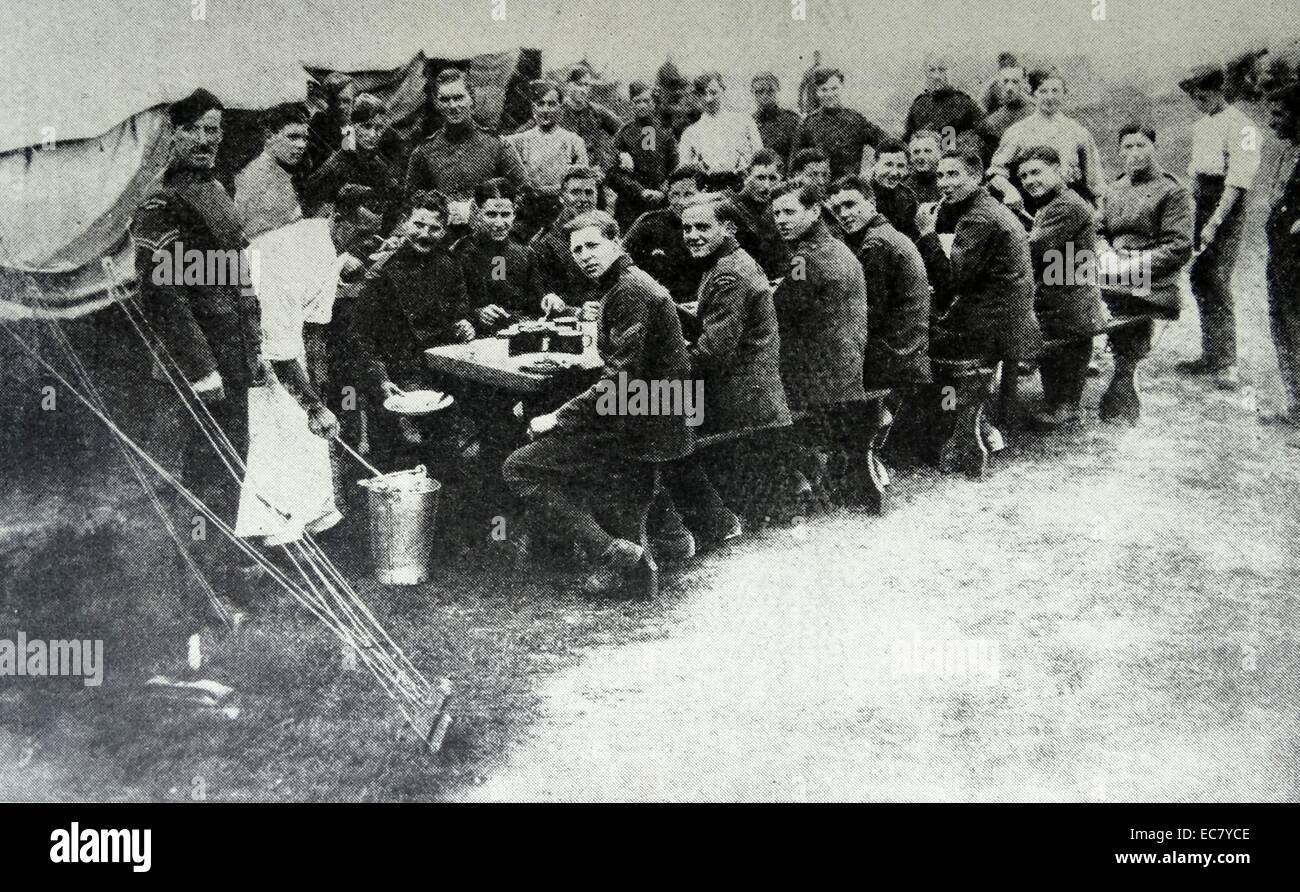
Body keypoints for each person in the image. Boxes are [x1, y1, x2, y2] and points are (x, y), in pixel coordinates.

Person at [505, 210, 694, 597]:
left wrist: (558, 417)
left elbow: (620, 381)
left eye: (593, 245)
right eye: (577, 250)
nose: (584, 256)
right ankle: (664, 535)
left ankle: (612, 554)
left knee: (520, 467)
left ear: (617, 242)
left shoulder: (629, 291)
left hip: (644, 422)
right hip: (656, 412)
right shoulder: (625, 284)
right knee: (546, 429)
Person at [131, 89, 270, 613]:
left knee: (232, 463)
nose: (208, 141)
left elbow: (238, 278)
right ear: (173, 135)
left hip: (231, 350)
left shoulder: (215, 189)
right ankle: (197, 588)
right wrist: (201, 367)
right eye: (197, 130)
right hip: (199, 363)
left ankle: (227, 570)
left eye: (215, 130)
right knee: (201, 471)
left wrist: (252, 348)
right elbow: (165, 294)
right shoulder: (161, 202)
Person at [659, 194, 792, 545]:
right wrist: (664, 308)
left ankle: (707, 521)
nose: (692, 235)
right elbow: (713, 327)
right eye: (687, 228)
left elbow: (709, 356)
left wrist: (658, 369)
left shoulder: (729, 275)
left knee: (646, 413)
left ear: (728, 227)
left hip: (740, 397)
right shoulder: (731, 262)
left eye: (703, 227)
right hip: (749, 389)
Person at [917, 147, 1041, 428]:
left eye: (953, 175)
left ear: (975, 176)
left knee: (915, 337)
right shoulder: (987, 207)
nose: (944, 183)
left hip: (992, 327)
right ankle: (964, 419)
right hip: (1010, 319)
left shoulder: (978, 217)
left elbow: (949, 283)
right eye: (940, 176)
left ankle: (949, 422)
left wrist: (926, 233)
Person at [351, 191, 476, 465]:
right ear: (405, 222)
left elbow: (461, 310)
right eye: (418, 225)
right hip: (398, 374)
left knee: (454, 447)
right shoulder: (382, 273)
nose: (424, 234)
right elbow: (362, 336)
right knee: (401, 458)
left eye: (434, 228)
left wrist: (465, 324)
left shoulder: (449, 265)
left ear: (444, 231)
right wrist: (382, 380)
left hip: (443, 371)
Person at [770, 179, 871, 499]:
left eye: (789, 211)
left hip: (822, 373)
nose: (781, 220)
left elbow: (781, 309)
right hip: (848, 360)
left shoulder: (803, 258)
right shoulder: (837, 246)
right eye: (776, 213)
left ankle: (793, 478)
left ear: (814, 211)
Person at [1093, 123, 1194, 423]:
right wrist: (1104, 253)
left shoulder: (1173, 192)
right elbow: (1098, 230)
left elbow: (1179, 246)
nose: (1134, 153)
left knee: (1104, 300)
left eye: (1141, 146)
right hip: (1113, 267)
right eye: (1127, 147)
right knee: (1058, 275)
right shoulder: (1115, 188)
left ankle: (1125, 374)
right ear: (1119, 151)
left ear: (1154, 148)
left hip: (1151, 277)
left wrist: (1131, 266)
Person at [1177, 65, 1263, 389]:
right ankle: (1210, 354)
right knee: (1199, 277)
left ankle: (1227, 361)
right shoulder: (1202, 125)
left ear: (1218, 90)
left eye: (1203, 97)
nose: (1199, 103)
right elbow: (1196, 174)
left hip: (1228, 204)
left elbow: (1238, 181)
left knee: (1218, 277)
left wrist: (1215, 221)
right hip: (1201, 201)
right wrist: (1191, 212)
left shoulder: (1243, 126)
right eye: (1194, 98)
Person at [1016, 147, 1109, 429]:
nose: (1029, 180)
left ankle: (1065, 406)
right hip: (1062, 294)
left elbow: (1035, 248)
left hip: (1070, 302)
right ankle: (1060, 401)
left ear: (1057, 171)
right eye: (1023, 176)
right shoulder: (1055, 203)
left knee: (1052, 341)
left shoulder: (1067, 206)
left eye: (1036, 172)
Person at [827, 175, 932, 389]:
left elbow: (868, 315)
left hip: (895, 362)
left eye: (850, 204)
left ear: (871, 202)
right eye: (837, 210)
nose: (844, 214)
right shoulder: (884, 234)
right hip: (907, 354)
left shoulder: (876, 244)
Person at [404, 69, 526, 214]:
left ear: (471, 99)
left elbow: (523, 192)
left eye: (459, 98)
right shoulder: (424, 152)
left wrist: (495, 213)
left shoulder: (498, 145)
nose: (453, 106)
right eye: (445, 100)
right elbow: (410, 201)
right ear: (437, 104)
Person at [988, 68, 1105, 207]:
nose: (1050, 97)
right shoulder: (1017, 131)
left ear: (1064, 94)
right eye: (1043, 91)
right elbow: (995, 172)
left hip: (1071, 205)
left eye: (1055, 91)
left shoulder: (1078, 132)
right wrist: (1009, 191)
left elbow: (1095, 179)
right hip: (1031, 206)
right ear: (1033, 94)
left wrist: (1099, 209)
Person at [302, 93, 402, 233]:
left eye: (379, 128)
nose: (373, 135)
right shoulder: (336, 166)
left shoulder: (379, 165)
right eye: (366, 127)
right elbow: (312, 212)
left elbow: (395, 201)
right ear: (352, 127)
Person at [1262, 80, 1300, 435]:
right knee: (1284, 326)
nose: (1272, 121)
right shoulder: (1289, 152)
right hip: (1282, 258)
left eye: (1279, 114)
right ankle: (1296, 406)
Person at [454, 178, 541, 332]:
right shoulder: (460, 252)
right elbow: (451, 306)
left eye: (505, 214)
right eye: (491, 214)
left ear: (514, 214)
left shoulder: (525, 254)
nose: (500, 223)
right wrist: (477, 313)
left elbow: (536, 304)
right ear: (477, 212)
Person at [504, 80, 590, 235]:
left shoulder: (574, 141)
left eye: (551, 104)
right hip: (528, 213)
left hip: (562, 212)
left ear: (560, 107)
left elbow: (582, 183)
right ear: (533, 107)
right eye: (540, 103)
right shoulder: (520, 140)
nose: (545, 110)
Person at [623, 164, 707, 302]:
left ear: (704, 192)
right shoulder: (650, 224)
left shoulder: (714, 227)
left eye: (688, 194)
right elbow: (623, 261)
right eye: (675, 194)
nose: (680, 202)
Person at [607, 81, 678, 233]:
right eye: (637, 102)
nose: (642, 105)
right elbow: (612, 174)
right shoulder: (624, 134)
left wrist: (662, 192)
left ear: (653, 103)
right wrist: (640, 191)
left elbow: (674, 169)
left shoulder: (665, 132)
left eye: (646, 101)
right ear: (631, 104)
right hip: (629, 207)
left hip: (660, 205)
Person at [532, 166, 604, 313]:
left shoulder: (607, 231)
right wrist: (576, 310)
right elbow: (544, 297)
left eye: (589, 192)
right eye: (575, 192)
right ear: (562, 196)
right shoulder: (545, 243)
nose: (583, 199)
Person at [793, 68, 887, 179]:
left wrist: (873, 170)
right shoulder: (808, 124)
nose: (829, 94)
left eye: (834, 88)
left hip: (849, 190)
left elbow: (887, 144)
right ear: (817, 92)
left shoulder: (856, 120)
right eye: (824, 90)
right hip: (818, 188)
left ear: (842, 88)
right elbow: (794, 165)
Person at [234, 102, 309, 242]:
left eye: (304, 138)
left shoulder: (280, 171)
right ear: (269, 137)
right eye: (293, 137)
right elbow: (258, 240)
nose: (301, 145)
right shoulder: (255, 177)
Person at [679, 72, 763, 192]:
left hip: (743, 191)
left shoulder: (745, 122)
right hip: (707, 193)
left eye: (713, 92)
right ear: (697, 97)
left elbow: (760, 157)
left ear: (723, 91)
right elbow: (684, 171)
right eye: (702, 94)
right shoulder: (690, 133)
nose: (708, 99)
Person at [731, 148, 792, 278]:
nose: (766, 186)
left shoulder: (788, 205)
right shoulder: (735, 207)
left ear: (781, 179)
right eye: (760, 177)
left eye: (772, 178)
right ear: (747, 176)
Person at [555, 66, 623, 173]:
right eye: (579, 84)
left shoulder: (596, 111)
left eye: (587, 85)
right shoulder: (556, 112)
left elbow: (624, 131)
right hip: (562, 172)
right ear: (568, 85)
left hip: (592, 171)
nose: (584, 90)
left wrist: (623, 153)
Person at [905, 54, 985, 143]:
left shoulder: (964, 103)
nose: (936, 76)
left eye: (942, 70)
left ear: (950, 72)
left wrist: (962, 149)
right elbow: (907, 141)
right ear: (926, 74)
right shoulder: (918, 105)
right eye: (932, 70)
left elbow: (989, 139)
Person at [304, 72, 356, 176]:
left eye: (346, 101)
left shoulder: (348, 127)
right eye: (336, 101)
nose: (341, 107)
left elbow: (350, 159)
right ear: (328, 102)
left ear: (353, 102)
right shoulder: (319, 122)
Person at [871, 138, 921, 241]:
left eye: (900, 166)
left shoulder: (908, 197)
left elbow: (912, 236)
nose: (894, 173)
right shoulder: (860, 193)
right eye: (888, 165)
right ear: (874, 164)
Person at [978, 63, 1034, 152]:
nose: (1009, 88)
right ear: (999, 85)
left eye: (1015, 82)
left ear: (1023, 84)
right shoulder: (994, 120)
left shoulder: (1036, 111)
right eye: (1005, 81)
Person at [752, 72, 801, 163]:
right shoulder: (750, 122)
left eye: (770, 91)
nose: (765, 96)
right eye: (760, 92)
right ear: (753, 93)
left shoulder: (792, 120)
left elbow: (798, 155)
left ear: (777, 90)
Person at [907, 129, 943, 204]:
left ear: (939, 154)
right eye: (916, 152)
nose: (921, 157)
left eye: (927, 151)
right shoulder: (904, 187)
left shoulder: (948, 184)